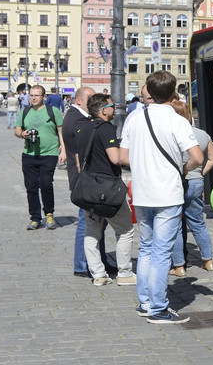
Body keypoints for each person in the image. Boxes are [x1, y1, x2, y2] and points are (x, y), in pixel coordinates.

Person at [121, 70, 203, 324]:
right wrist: (183, 168)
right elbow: (197, 157)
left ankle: (145, 303)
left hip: (142, 192)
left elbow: (123, 158)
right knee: (161, 252)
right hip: (167, 193)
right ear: (172, 92)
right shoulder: (177, 121)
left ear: (149, 91)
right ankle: (158, 308)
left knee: (145, 248)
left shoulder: (134, 118)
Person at [76, 93, 137, 287]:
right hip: (109, 190)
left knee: (92, 233)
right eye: (112, 106)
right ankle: (125, 273)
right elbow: (115, 159)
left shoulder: (83, 129)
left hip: (89, 189)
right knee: (125, 230)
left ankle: (98, 274)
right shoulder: (106, 128)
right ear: (103, 110)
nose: (114, 109)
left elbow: (79, 162)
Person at [62, 87, 113, 279]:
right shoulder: (79, 120)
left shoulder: (77, 117)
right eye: (90, 98)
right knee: (87, 222)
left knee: (97, 222)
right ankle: (82, 264)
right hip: (83, 180)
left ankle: (99, 261)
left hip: (85, 179)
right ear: (78, 101)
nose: (94, 101)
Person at [169, 100, 213, 275]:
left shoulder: (172, 133)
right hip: (196, 181)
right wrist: (200, 173)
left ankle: (179, 266)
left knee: (175, 225)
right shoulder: (202, 134)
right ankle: (208, 260)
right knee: (198, 223)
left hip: (176, 182)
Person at [16, 85, 65, 230]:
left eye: (36, 95)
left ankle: (49, 213)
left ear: (44, 97)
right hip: (29, 154)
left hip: (49, 154)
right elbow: (17, 130)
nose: (33, 98)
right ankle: (35, 218)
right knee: (31, 187)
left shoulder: (52, 111)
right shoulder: (25, 111)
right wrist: (22, 134)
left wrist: (64, 150)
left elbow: (61, 131)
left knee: (45, 184)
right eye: (31, 95)